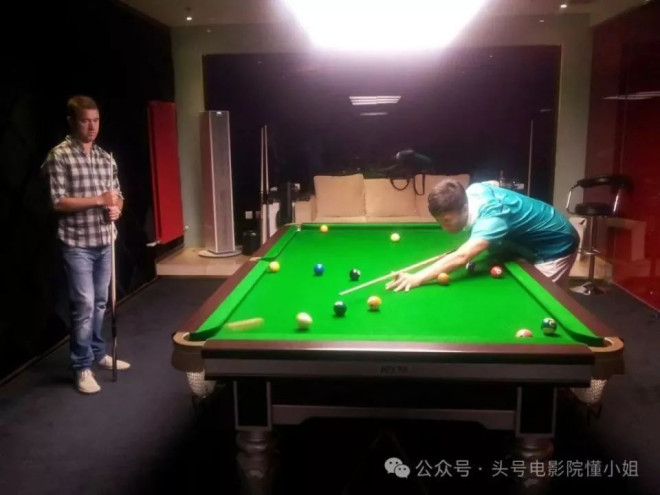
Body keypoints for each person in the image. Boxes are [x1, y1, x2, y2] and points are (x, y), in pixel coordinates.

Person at [42, 95, 131, 394]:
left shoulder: (106, 157)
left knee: (101, 303)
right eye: (85, 121)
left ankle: (96, 352)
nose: (92, 127)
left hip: (105, 241)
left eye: (96, 120)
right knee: (84, 305)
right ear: (72, 122)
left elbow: (117, 196)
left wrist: (116, 207)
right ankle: (81, 366)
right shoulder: (59, 156)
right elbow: (57, 201)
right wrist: (98, 200)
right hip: (77, 243)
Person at [386, 178, 579, 292]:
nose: (444, 228)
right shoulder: (474, 190)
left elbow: (462, 256)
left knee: (546, 298)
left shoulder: (491, 219)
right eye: (439, 221)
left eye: (447, 220)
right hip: (528, 236)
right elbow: (492, 182)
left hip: (555, 244)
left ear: (464, 208)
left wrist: (417, 278)